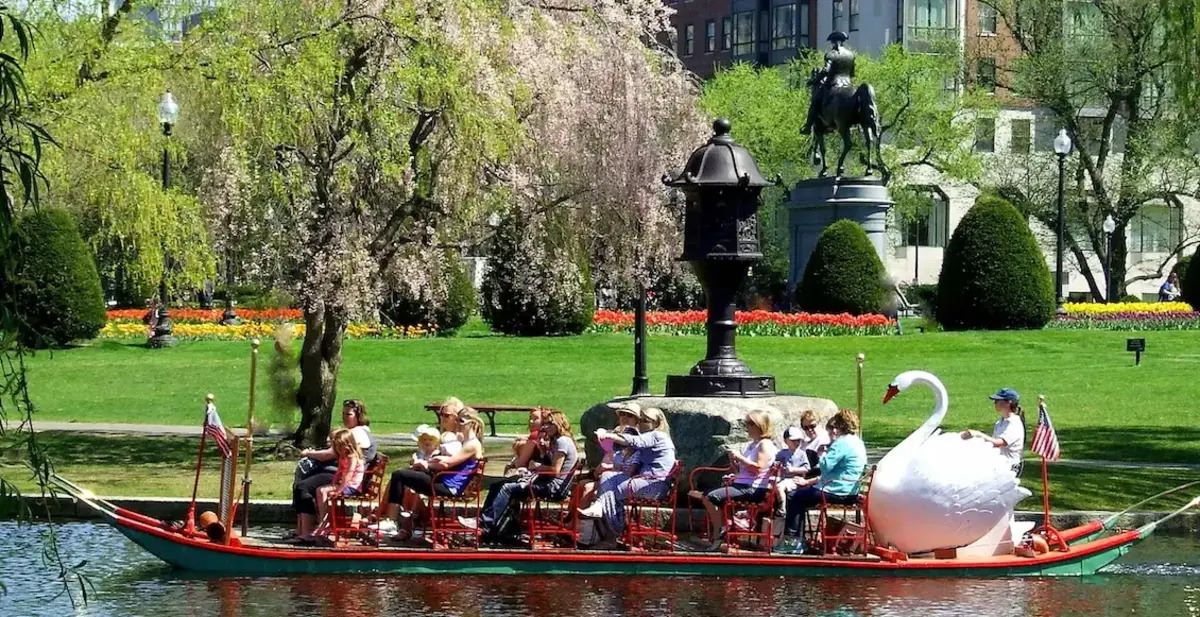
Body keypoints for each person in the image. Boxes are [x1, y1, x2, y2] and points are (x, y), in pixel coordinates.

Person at [464, 409, 578, 544]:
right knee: (497, 486)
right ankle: (499, 531)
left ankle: (484, 523)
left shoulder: (562, 441)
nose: (546, 427)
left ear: (559, 424)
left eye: (550, 424)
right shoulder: (555, 441)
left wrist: (536, 466)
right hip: (545, 481)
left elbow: (555, 470)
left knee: (507, 488)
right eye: (545, 424)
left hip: (553, 487)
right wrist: (542, 452)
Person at [380, 404, 485, 540]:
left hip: (448, 487)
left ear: (472, 423)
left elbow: (447, 463)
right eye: (457, 420)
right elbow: (446, 461)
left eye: (461, 421)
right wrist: (431, 463)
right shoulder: (464, 441)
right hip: (442, 480)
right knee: (406, 473)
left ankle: (392, 520)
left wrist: (426, 463)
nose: (457, 423)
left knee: (399, 475)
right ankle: (402, 522)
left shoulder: (472, 444)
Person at [578, 404, 676, 549]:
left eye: (645, 420)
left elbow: (634, 442)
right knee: (607, 477)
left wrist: (610, 436)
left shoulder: (657, 435)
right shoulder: (650, 437)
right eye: (640, 419)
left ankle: (610, 536)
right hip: (645, 481)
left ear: (656, 423)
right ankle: (603, 517)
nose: (640, 423)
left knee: (610, 491)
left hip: (654, 485)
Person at [778, 409, 867, 553]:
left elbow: (825, 467)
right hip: (851, 490)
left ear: (839, 425)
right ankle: (798, 539)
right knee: (802, 494)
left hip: (836, 491)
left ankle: (793, 541)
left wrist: (822, 454)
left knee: (795, 496)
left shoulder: (842, 443)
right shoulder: (858, 442)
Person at [688, 410, 779, 551]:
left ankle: (720, 531)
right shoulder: (752, 445)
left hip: (753, 488)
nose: (746, 427)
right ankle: (722, 528)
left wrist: (740, 457)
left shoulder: (764, 444)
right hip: (742, 484)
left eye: (749, 423)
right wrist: (734, 464)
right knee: (707, 494)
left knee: (711, 496)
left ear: (759, 425)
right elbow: (743, 471)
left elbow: (758, 469)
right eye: (746, 423)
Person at [289, 399, 377, 539]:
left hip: (344, 477)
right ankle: (303, 529)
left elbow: (330, 455)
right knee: (303, 479)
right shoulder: (351, 432)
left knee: (303, 486)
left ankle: (309, 530)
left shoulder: (357, 434)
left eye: (348, 414)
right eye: (343, 413)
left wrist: (309, 453)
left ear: (358, 416)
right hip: (337, 474)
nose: (344, 417)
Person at [578, 401, 642, 508]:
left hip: (624, 479)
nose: (625, 417)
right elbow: (608, 456)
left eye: (630, 415)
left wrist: (608, 468)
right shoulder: (615, 434)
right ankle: (572, 519)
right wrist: (599, 469)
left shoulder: (636, 439)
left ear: (636, 420)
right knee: (580, 485)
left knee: (587, 487)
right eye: (622, 414)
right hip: (608, 475)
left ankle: (581, 521)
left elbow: (630, 466)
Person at [311, 428, 366, 540]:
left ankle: (325, 521)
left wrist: (339, 489)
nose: (339, 450)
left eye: (341, 446)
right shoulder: (343, 456)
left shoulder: (352, 457)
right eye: (337, 447)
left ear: (348, 444)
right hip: (344, 484)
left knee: (323, 491)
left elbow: (348, 475)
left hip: (352, 486)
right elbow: (339, 472)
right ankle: (325, 518)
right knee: (320, 490)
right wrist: (333, 483)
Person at [961, 388, 1025, 475]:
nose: (995, 403)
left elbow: (998, 443)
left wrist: (978, 434)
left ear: (1008, 402)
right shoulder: (1000, 422)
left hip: (1010, 468)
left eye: (997, 401)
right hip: (999, 465)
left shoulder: (1014, 424)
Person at [506, 407, 549, 474]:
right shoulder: (549, 434)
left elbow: (520, 463)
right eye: (530, 418)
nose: (531, 421)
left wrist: (514, 461)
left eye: (536, 418)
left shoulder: (535, 436)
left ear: (544, 420)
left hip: (534, 473)